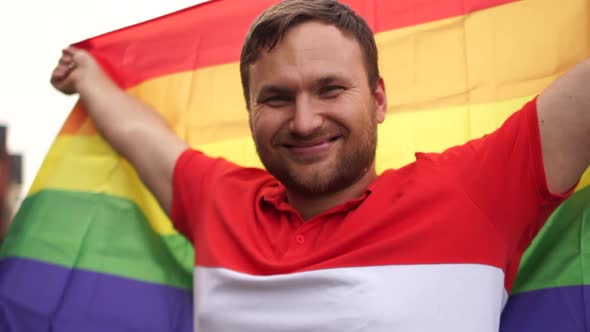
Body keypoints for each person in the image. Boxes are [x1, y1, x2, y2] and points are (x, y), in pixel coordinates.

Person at [50, 0, 589, 331]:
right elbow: (138, 134)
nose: (305, 121)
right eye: (277, 98)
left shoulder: (476, 192)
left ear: (378, 99)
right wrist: (88, 75)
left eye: (330, 89)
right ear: (250, 112)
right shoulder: (220, 202)